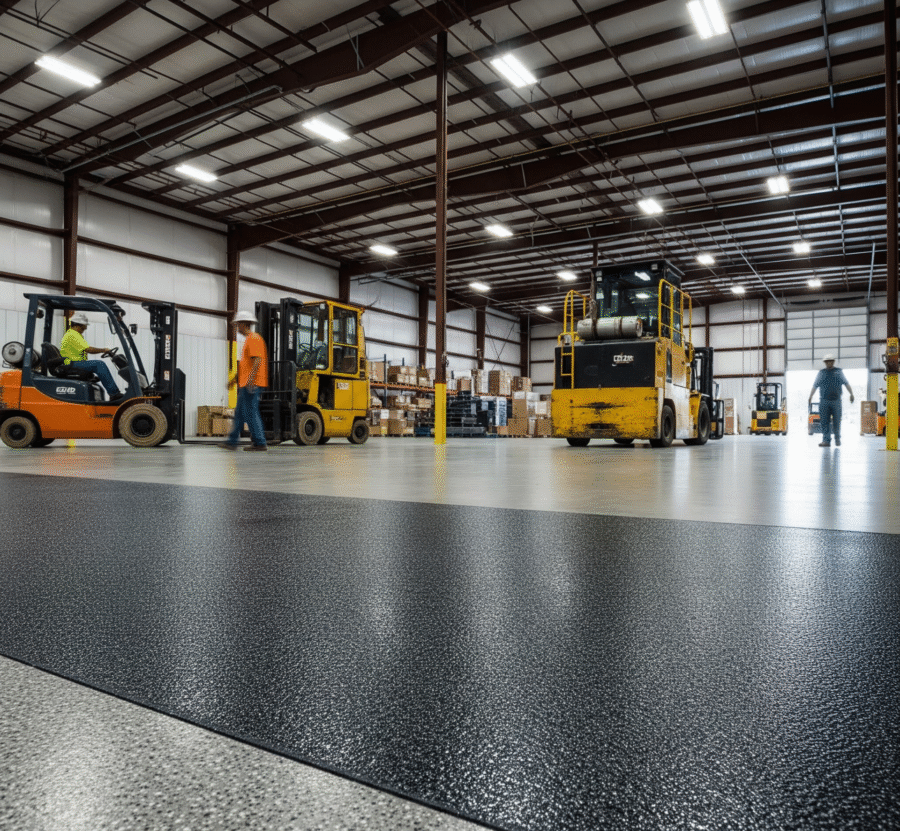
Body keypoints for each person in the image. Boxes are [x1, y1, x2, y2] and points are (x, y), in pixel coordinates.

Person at [219, 310, 269, 452]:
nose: (236, 327)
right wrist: (234, 380)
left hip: (251, 384)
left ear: (243, 324)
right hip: (245, 383)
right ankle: (232, 441)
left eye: (237, 324)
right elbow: (245, 365)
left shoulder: (254, 338)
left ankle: (260, 442)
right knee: (240, 413)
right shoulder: (248, 340)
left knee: (251, 412)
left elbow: (257, 360)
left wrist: (251, 381)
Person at [59, 312, 124, 401]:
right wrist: (104, 350)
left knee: (98, 367)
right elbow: (88, 349)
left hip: (74, 363)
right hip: (72, 364)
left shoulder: (73, 334)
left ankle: (112, 392)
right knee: (99, 364)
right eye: (84, 325)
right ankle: (114, 393)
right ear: (79, 324)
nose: (86, 327)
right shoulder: (73, 335)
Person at [808, 354, 854, 447]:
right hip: (824, 401)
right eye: (827, 361)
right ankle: (826, 440)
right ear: (825, 362)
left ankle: (837, 438)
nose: (829, 363)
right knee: (825, 421)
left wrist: (851, 393)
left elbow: (846, 383)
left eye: (830, 361)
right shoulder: (821, 373)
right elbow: (815, 385)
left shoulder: (839, 372)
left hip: (836, 401)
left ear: (833, 362)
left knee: (837, 421)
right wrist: (810, 397)